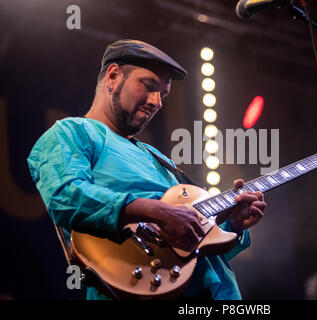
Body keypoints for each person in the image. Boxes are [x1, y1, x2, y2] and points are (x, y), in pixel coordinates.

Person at [27, 39, 266, 300]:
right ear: (113, 76)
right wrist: (154, 210)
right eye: (149, 86)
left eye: (163, 94)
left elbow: (193, 253)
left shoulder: (157, 157)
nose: (157, 102)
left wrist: (233, 224)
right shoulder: (72, 132)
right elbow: (66, 198)